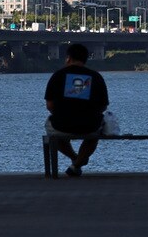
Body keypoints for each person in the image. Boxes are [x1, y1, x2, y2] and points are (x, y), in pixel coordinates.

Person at [44, 43, 110, 177]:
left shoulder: (57, 76)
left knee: (53, 133)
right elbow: (103, 106)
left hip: (61, 124)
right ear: (86, 59)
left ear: (68, 58)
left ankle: (76, 158)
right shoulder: (96, 77)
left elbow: (50, 106)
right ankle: (78, 162)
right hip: (90, 125)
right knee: (94, 134)